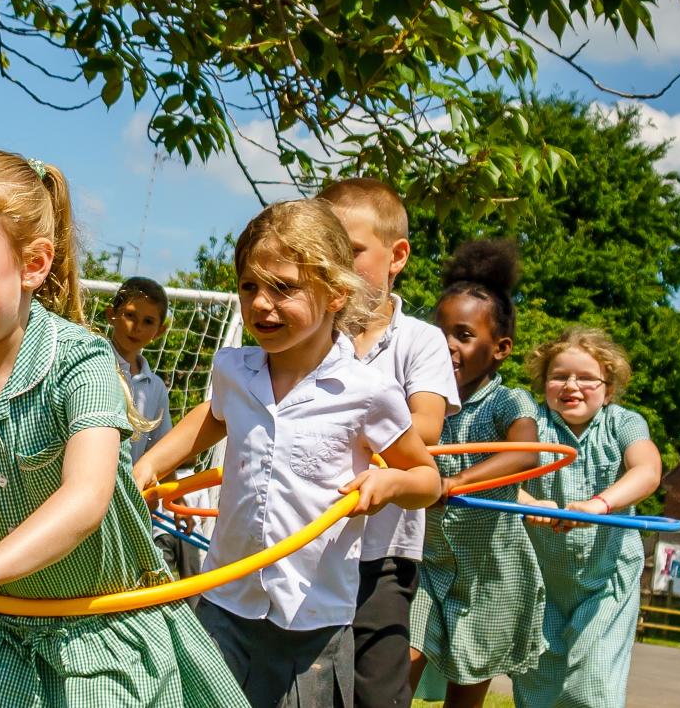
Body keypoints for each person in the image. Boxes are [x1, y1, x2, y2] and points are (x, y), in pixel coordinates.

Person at [0, 150, 245, 707]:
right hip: (5, 635)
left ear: (34, 264)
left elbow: (86, 497)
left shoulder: (81, 360)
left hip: (111, 632)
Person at [134, 198, 442, 708]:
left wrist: (389, 484)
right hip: (226, 597)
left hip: (311, 618)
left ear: (337, 294)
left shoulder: (366, 391)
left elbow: (427, 480)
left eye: (283, 288)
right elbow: (213, 418)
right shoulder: (235, 369)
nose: (260, 304)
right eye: (250, 286)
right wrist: (151, 464)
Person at [314, 177, 460, 708]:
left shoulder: (419, 340)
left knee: (377, 689)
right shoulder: (309, 336)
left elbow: (426, 426)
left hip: (383, 551)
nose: (334, 266)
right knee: (307, 679)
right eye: (321, 251)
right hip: (310, 541)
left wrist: (346, 423)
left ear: (397, 255)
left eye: (350, 251)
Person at [409, 239, 546, 707]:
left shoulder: (509, 403)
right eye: (439, 332)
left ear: (501, 348)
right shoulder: (422, 402)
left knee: (463, 701)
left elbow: (527, 453)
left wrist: (453, 483)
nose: (447, 344)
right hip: (428, 566)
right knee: (393, 677)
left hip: (490, 576)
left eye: (464, 335)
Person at [509, 327, 662, 708]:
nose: (571, 385)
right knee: (536, 686)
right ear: (544, 383)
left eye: (586, 378)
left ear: (608, 389)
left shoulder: (623, 423)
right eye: (559, 376)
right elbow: (493, 475)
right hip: (540, 582)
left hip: (605, 580)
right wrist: (529, 502)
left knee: (592, 685)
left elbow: (647, 470)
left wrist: (599, 505)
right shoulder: (531, 421)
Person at [104, 276, 197, 576]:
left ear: (160, 330)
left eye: (148, 321)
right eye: (130, 316)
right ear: (111, 314)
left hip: (134, 500)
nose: (137, 327)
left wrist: (176, 500)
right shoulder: (94, 365)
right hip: (91, 489)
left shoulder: (155, 387)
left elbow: (162, 448)